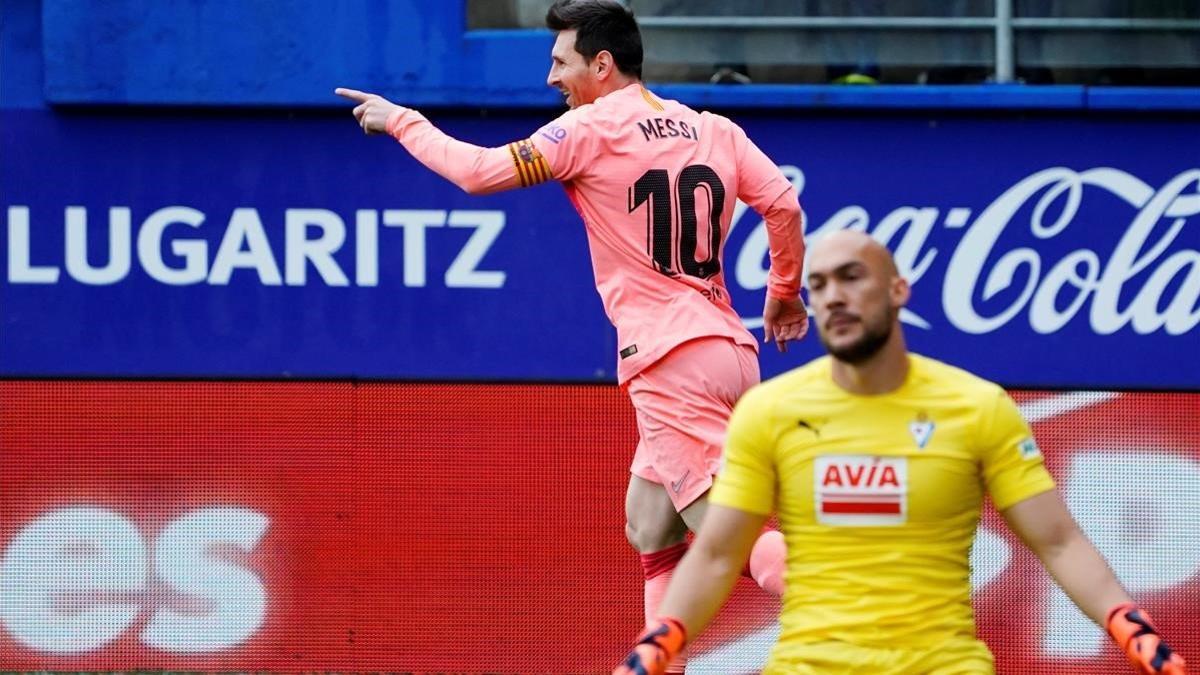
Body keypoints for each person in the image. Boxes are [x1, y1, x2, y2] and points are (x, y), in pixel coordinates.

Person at [334, 1, 808, 668]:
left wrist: (401, 121)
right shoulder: (714, 129)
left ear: (602, 64)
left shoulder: (585, 129)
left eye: (561, 61)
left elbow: (476, 172)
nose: (552, 76)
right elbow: (783, 204)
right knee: (649, 519)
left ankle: (856, 612)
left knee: (726, 536)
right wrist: (783, 293)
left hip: (667, 358)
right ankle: (658, 663)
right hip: (727, 349)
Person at [615, 230, 1188, 675]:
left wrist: (1131, 628)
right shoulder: (770, 413)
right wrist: (657, 646)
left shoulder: (977, 407)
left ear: (897, 290)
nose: (833, 296)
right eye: (817, 285)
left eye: (851, 277)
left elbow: (1059, 541)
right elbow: (716, 555)